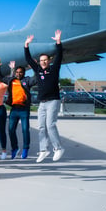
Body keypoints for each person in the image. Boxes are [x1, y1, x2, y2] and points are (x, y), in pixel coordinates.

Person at [25, 29, 65, 163]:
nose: (43, 62)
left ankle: (58, 148)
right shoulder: (37, 70)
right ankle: (43, 150)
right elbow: (28, 59)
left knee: (50, 125)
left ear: (49, 61)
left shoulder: (54, 69)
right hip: (42, 102)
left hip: (53, 101)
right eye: (41, 60)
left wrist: (58, 42)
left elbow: (59, 55)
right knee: (41, 127)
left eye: (45, 60)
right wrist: (26, 45)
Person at [0, 60, 36, 159]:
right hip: (14, 109)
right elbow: (1, 78)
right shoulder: (11, 80)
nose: (18, 74)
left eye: (20, 72)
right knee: (10, 130)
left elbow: (36, 78)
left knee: (25, 130)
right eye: (17, 72)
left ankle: (26, 148)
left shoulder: (27, 81)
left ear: (24, 73)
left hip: (24, 110)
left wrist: (34, 67)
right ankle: (15, 148)